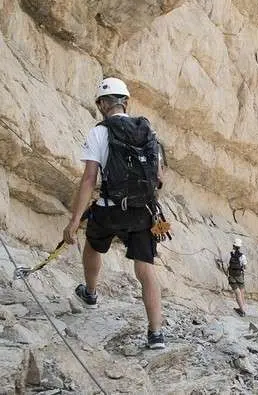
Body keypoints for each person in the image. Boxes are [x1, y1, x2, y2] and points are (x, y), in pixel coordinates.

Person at [63, 77, 166, 349]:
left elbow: (89, 179)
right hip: (144, 212)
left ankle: (91, 293)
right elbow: (158, 175)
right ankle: (156, 334)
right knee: (146, 270)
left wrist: (75, 220)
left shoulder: (100, 132)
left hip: (110, 211)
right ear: (126, 102)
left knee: (93, 245)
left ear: (102, 104)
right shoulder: (148, 130)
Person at [227, 238, 247, 317]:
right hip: (240, 276)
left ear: (233, 245)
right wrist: (243, 269)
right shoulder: (242, 256)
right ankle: (243, 309)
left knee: (237, 293)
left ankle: (242, 310)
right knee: (241, 292)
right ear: (240, 247)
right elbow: (245, 266)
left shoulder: (229, 254)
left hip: (232, 276)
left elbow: (225, 263)